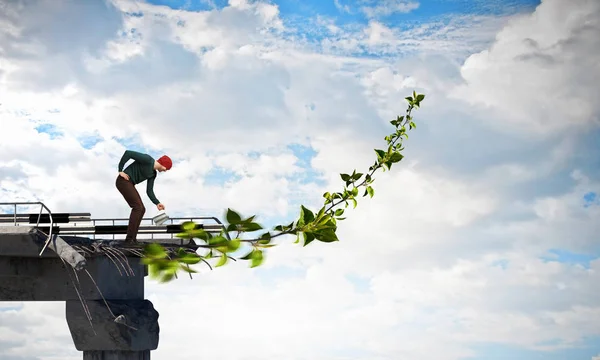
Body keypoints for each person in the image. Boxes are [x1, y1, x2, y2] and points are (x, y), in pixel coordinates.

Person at [115, 150, 172, 243]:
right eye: (167, 168)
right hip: (123, 181)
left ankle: (133, 239)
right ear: (164, 165)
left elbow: (149, 191)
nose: (165, 171)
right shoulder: (147, 159)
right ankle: (129, 240)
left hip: (129, 183)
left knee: (142, 209)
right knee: (138, 207)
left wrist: (157, 203)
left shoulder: (153, 174)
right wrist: (120, 170)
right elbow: (128, 153)